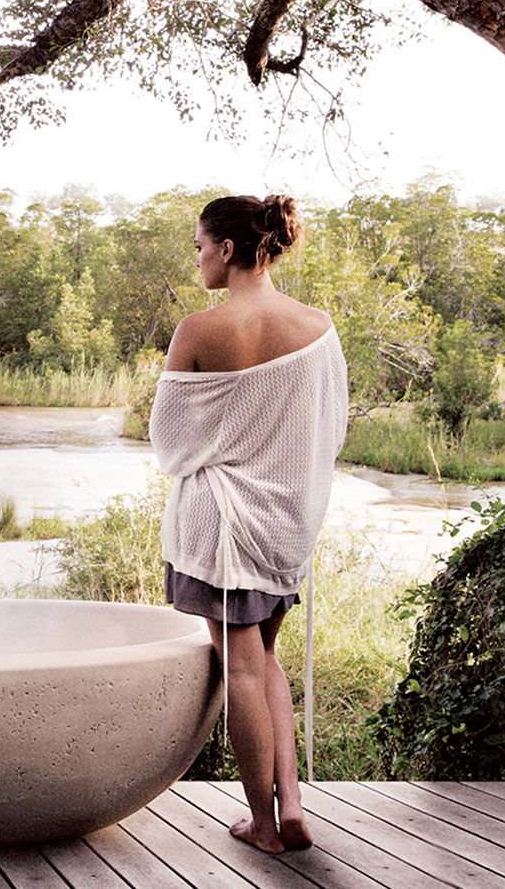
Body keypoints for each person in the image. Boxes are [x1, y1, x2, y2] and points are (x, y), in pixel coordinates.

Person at [149, 193, 349, 854]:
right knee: (266, 662)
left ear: (228, 249)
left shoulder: (200, 332)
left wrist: (223, 443)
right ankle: (289, 805)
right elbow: (329, 430)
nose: (198, 257)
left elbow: (171, 446)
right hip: (287, 525)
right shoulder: (318, 328)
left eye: (200, 245)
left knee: (240, 671)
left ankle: (261, 826)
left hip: (224, 528)